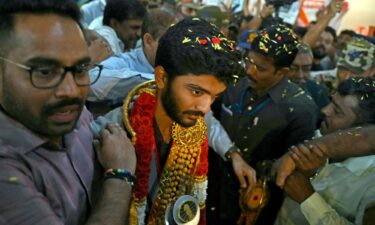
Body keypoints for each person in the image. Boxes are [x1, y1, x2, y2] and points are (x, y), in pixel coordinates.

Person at [92, 17, 245, 225]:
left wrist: (234, 155)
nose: (205, 107)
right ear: (162, 78)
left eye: (214, 97)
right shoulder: (107, 133)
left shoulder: (193, 123)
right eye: (196, 91)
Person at [0, 0, 136, 224]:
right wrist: (120, 176)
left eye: (81, 69)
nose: (71, 91)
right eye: (45, 72)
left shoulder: (66, 110)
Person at [207, 24, 318, 225]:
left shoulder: (300, 109)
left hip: (253, 207)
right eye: (248, 60)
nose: (249, 70)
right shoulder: (233, 81)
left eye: (260, 68)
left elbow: (293, 170)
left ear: (283, 71)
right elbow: (208, 120)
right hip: (210, 189)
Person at [274, 77, 375, 225]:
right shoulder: (318, 135)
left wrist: (307, 197)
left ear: (363, 129)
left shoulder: (369, 184)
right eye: (331, 102)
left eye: (337, 111)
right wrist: (306, 174)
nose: (325, 110)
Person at [87, 8, 179, 105]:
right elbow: (93, 81)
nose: (178, 50)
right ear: (148, 41)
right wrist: (154, 82)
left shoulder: (178, 66)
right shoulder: (124, 62)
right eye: (171, 43)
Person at [287, 43, 330, 124]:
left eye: (306, 69)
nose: (300, 75)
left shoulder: (318, 93)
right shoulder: (266, 90)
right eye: (292, 68)